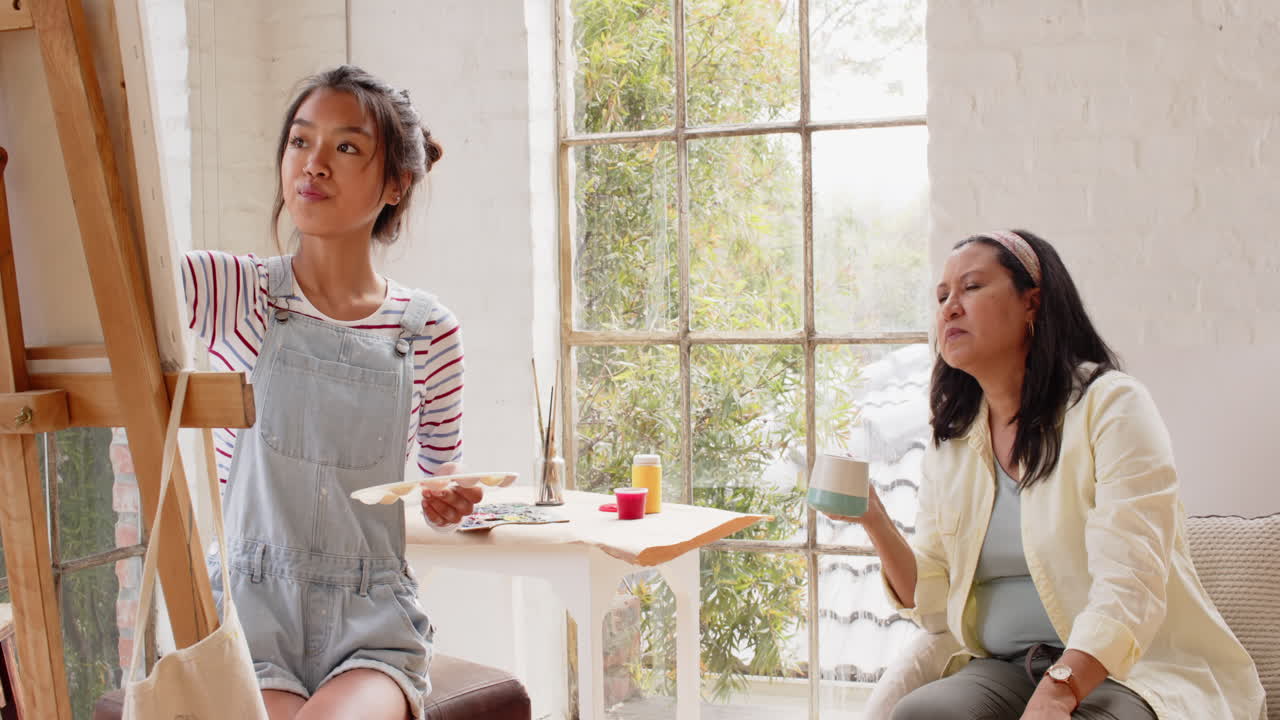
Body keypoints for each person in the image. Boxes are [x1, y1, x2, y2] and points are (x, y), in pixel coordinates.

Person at [828, 230, 1263, 719]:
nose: (950, 307)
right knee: (920, 714)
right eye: (942, 296)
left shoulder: (1111, 406)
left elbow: (1131, 581)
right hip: (1003, 668)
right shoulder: (951, 444)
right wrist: (875, 521)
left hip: (1127, 672)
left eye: (971, 288)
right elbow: (932, 604)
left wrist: (1059, 691)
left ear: (1031, 302)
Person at [181, 65, 480, 720]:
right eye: (299, 141)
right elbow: (121, 274)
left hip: (370, 624)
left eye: (345, 148)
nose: (313, 165)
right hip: (247, 614)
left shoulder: (428, 330)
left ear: (396, 183)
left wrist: (448, 500)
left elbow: (436, 486)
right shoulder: (238, 294)